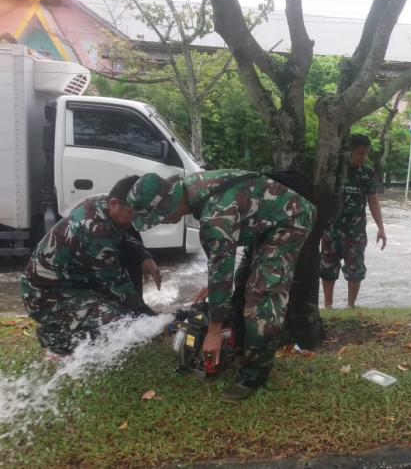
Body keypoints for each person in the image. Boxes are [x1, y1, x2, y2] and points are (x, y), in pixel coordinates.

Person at [125, 169, 316, 403]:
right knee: (240, 284)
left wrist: (214, 331)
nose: (162, 221)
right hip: (262, 224)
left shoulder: (214, 215)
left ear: (168, 203)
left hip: (289, 219)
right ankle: (238, 347)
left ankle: (253, 375)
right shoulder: (191, 190)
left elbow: (221, 260)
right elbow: (220, 264)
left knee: (262, 299)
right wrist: (215, 283)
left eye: (159, 216)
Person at [20, 175, 162, 356]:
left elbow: (124, 237)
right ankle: (56, 337)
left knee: (130, 310)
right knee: (122, 321)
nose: (134, 221)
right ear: (113, 204)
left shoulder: (100, 203)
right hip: (45, 296)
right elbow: (119, 287)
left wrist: (144, 256)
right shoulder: (96, 234)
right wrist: (151, 319)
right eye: (132, 215)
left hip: (74, 282)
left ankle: (75, 322)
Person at [320, 133, 387, 309]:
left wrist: (381, 228)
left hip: (355, 229)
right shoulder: (334, 168)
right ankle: (328, 306)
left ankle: (350, 306)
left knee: (356, 269)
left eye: (366, 153)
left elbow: (373, 200)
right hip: (331, 227)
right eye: (360, 153)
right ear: (350, 152)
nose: (364, 157)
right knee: (328, 267)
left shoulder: (367, 173)